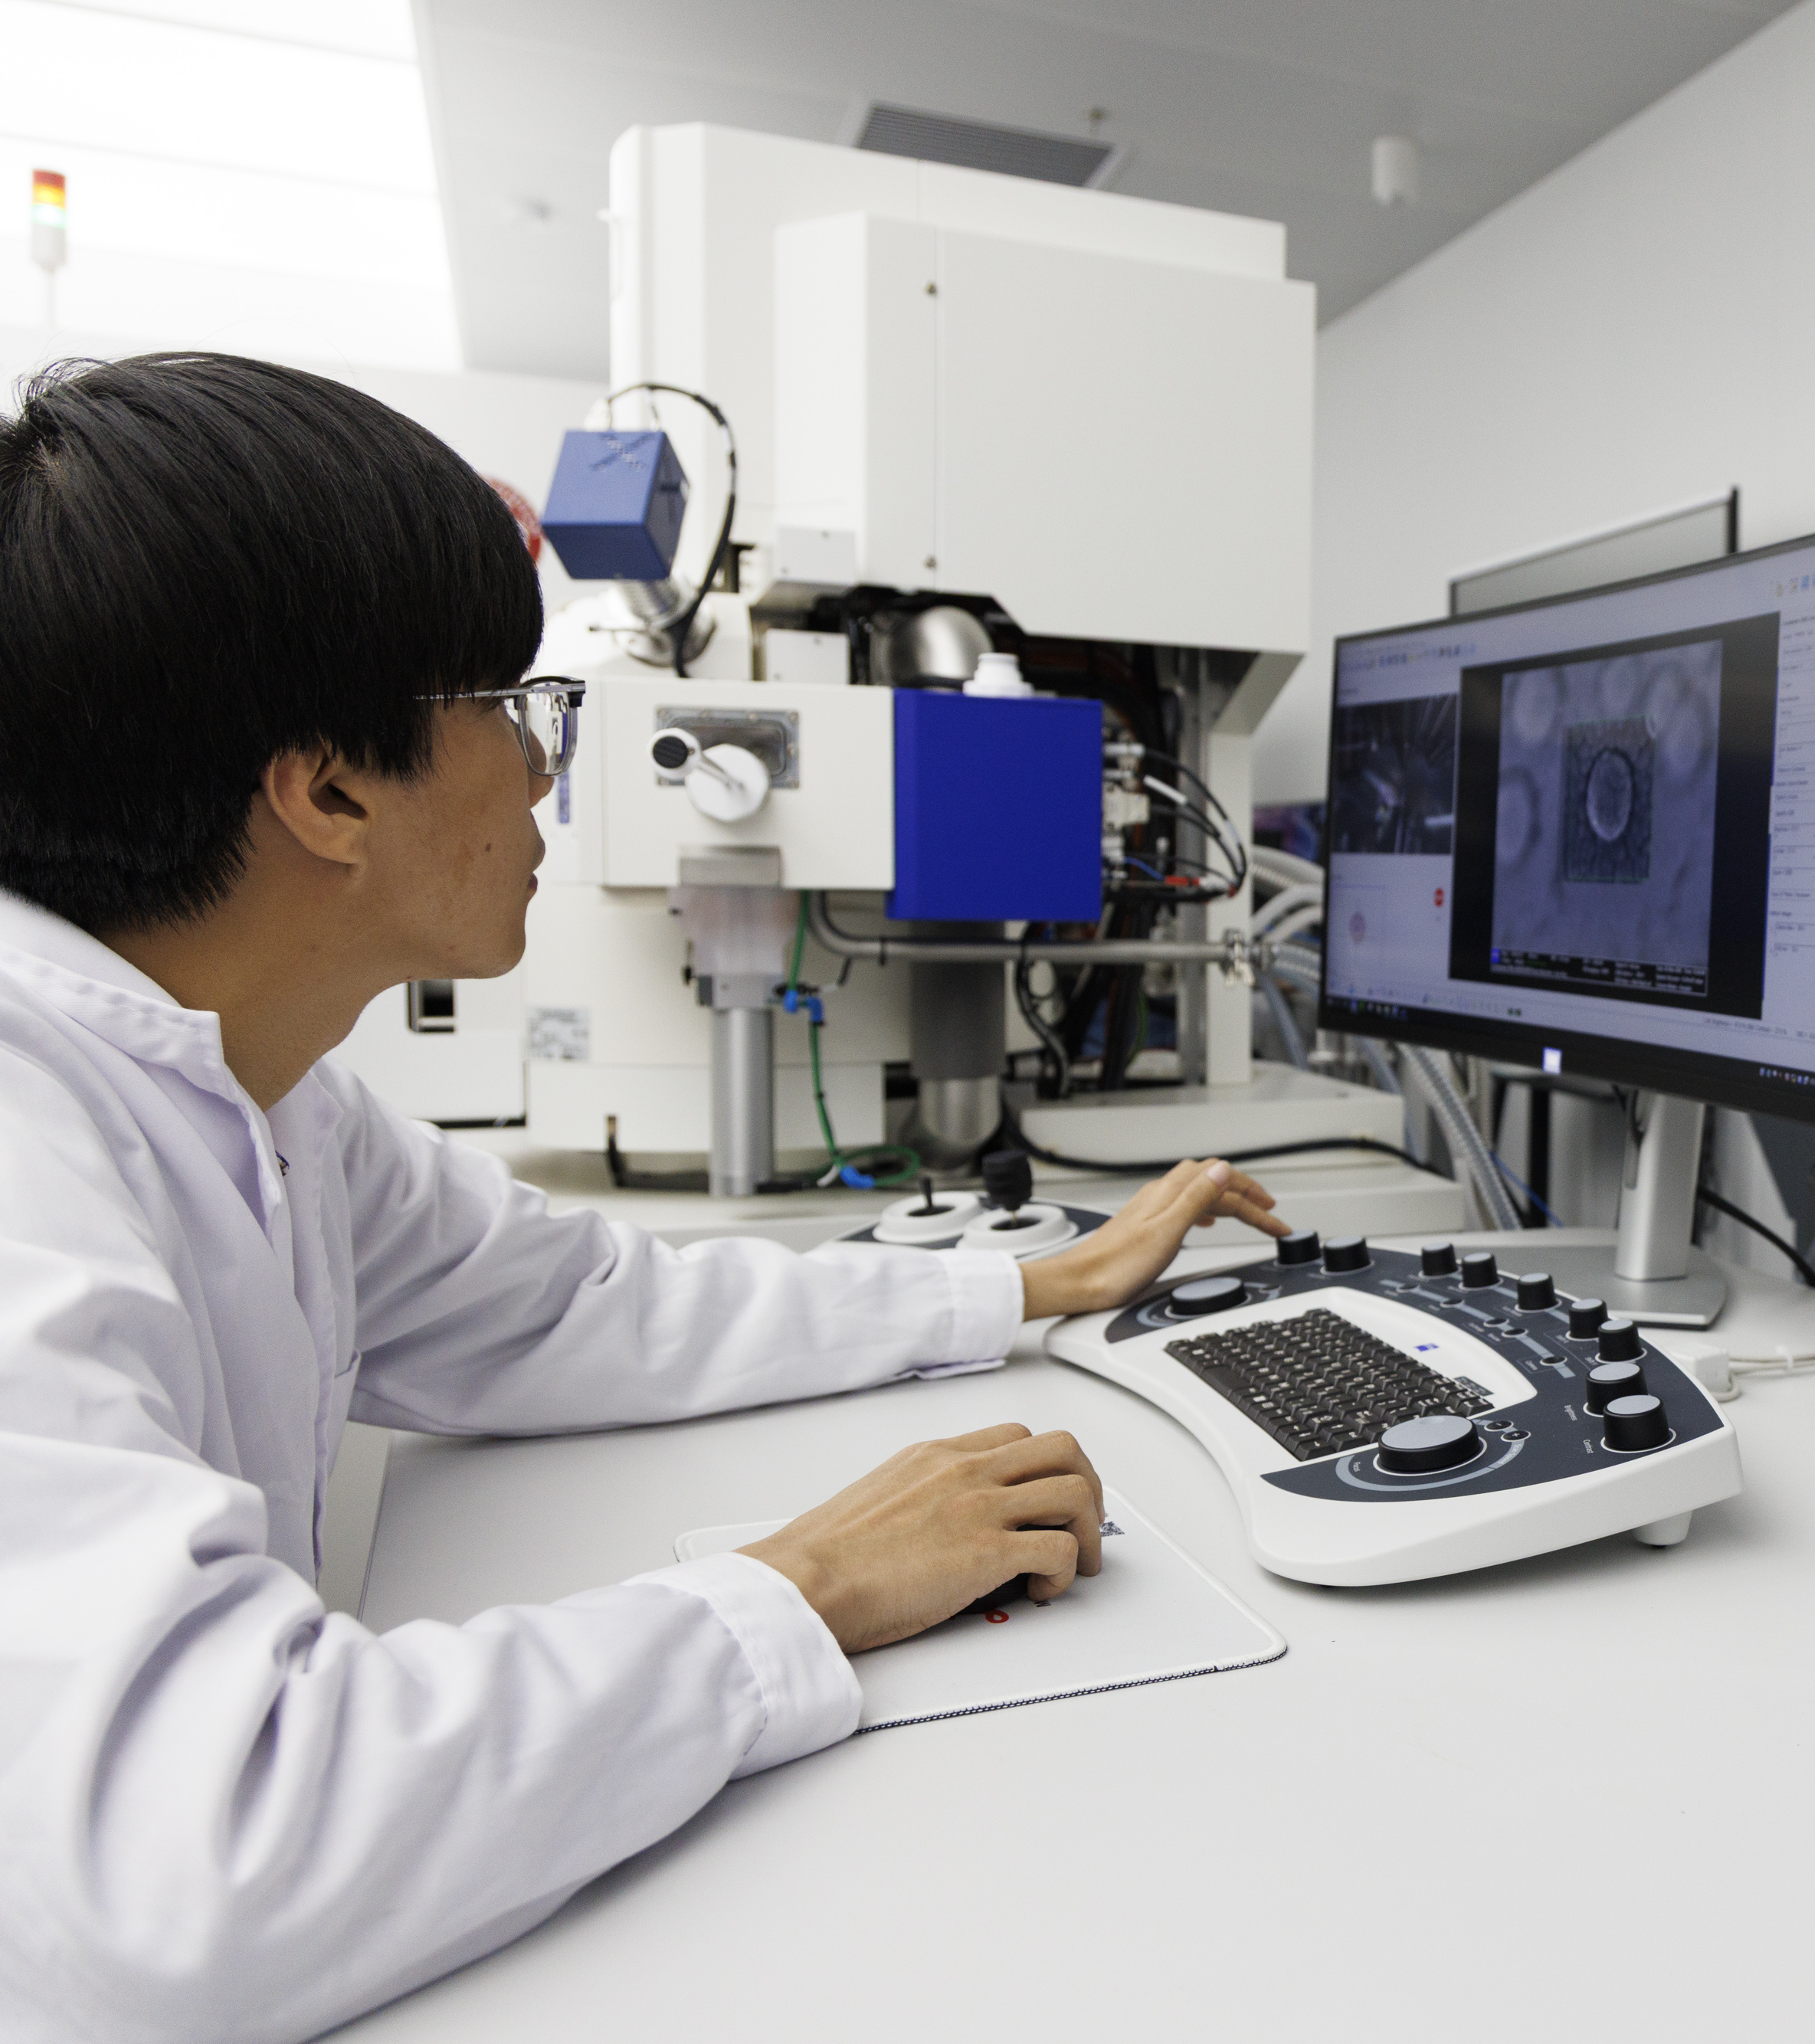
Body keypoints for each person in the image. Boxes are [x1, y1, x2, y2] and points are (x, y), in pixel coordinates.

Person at [0, 354, 1287, 2042]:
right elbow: (190, 1870)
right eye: (513, 710)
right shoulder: (27, 1150)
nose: (544, 771)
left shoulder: (260, 1087)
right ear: (329, 791)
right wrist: (807, 1582)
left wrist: (1028, 1284)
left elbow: (584, 1306)